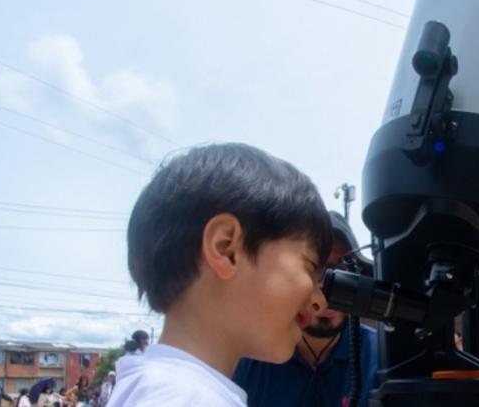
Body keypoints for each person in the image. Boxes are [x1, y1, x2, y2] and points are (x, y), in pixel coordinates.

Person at [108, 143, 333, 407]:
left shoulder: (159, 387)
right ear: (226, 248)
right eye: (309, 265)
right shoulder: (184, 398)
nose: (320, 301)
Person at [233, 211, 379, 406]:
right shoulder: (251, 355)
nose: (327, 286)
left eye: (343, 271)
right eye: (313, 268)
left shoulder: (379, 356)